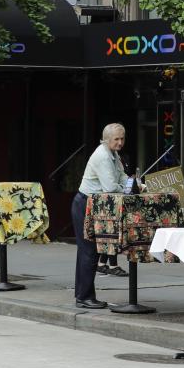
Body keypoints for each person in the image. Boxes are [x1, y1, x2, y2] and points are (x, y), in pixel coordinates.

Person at [72, 123, 129, 309]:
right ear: (106, 140)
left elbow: (121, 177)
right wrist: (128, 189)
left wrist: (132, 184)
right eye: (116, 139)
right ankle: (85, 297)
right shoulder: (103, 156)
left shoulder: (113, 154)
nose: (120, 142)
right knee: (89, 251)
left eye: (122, 139)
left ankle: (83, 295)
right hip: (85, 204)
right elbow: (111, 188)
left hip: (95, 204)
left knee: (89, 251)